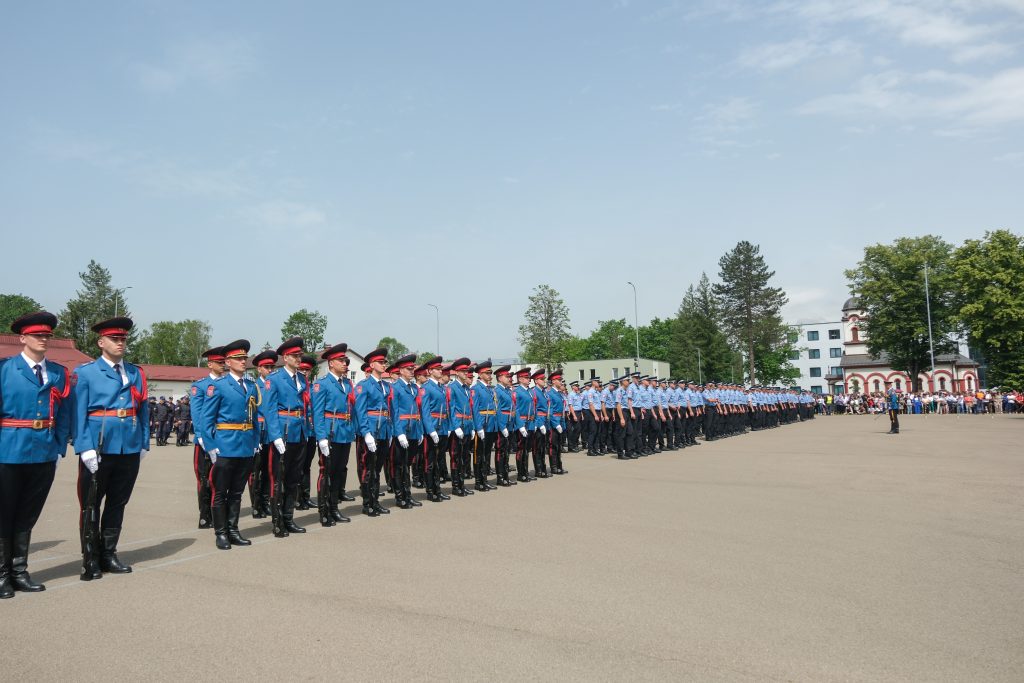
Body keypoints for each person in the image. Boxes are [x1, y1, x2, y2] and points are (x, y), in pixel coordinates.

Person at [0, 312, 74, 597]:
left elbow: (64, 413)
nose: (43, 339)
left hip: (43, 452)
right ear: (23, 338)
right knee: (4, 513)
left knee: (28, 515)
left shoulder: (58, 372)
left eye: (46, 336)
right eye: (37, 335)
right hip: (8, 450)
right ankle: (3, 574)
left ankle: (20, 571)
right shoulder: (5, 370)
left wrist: (57, 447)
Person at [73, 316, 150, 581]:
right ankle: (90, 558)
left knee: (118, 503)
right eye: (114, 339)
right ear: (100, 342)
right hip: (98, 446)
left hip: (128, 446)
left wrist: (143, 442)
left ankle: (109, 553)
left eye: (123, 339)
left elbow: (143, 410)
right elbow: (78, 412)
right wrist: (84, 447)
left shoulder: (135, 372)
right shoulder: (86, 373)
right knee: (91, 504)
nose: (120, 343)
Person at [197, 339, 259, 550]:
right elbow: (206, 420)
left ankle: (233, 530)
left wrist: (255, 441)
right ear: (228, 362)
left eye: (244, 358)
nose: (244, 361)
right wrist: (212, 447)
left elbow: (253, 416)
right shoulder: (219, 386)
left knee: (237, 492)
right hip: (225, 445)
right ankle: (221, 532)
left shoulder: (251, 386)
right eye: (239, 358)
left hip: (245, 445)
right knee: (220, 491)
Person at [261, 336, 310, 537]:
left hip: (299, 431)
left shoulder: (302, 379)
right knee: (277, 479)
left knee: (293, 478)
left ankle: (289, 518)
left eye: (300, 355)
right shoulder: (274, 379)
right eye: (295, 356)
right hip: (282, 431)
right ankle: (277, 521)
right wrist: (275, 435)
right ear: (286, 357)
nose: (299, 359)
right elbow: (269, 409)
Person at [311, 344, 355, 525]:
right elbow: (318, 412)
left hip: (344, 432)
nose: (345, 363)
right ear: (331, 363)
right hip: (330, 432)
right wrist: (321, 437)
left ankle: (334, 508)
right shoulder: (322, 384)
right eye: (341, 361)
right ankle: (324, 511)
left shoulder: (347, 384)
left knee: (338, 473)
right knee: (326, 472)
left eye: (345, 361)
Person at [189, 346, 226, 529]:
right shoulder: (200, 386)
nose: (223, 365)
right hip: (205, 439)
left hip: (224, 437)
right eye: (219, 362)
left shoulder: (227, 384)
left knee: (221, 478)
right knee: (204, 478)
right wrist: (202, 437)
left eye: (223, 362)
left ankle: (218, 511)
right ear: (210, 364)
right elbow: (197, 414)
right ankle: (205, 515)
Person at [354, 347, 393, 516]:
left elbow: (389, 410)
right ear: (372, 364)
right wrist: (366, 432)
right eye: (381, 362)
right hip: (370, 430)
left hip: (383, 430)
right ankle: (367, 503)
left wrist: (390, 432)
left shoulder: (386, 385)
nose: (384, 364)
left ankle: (375, 502)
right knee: (367, 468)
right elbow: (360, 410)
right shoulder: (364, 386)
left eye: (385, 362)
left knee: (377, 469)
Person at [387, 353, 423, 509]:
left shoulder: (414, 387)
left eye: (412, 369)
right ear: (400, 371)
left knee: (408, 463)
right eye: (408, 369)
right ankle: (400, 496)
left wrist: (420, 430)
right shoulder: (394, 387)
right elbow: (393, 411)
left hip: (414, 428)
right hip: (402, 429)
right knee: (399, 464)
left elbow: (417, 410)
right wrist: (399, 432)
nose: (411, 371)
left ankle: (408, 494)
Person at [248, 350, 277, 519]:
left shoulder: (274, 385)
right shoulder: (254, 386)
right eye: (266, 367)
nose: (270, 370)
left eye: (272, 367)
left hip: (270, 433)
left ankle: (265, 502)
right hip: (258, 431)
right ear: (259, 369)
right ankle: (256, 505)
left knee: (268, 470)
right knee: (255, 471)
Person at [417, 356, 449, 502]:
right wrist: (431, 430)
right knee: (430, 461)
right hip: (433, 428)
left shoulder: (441, 387)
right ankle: (430, 490)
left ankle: (438, 488)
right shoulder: (426, 388)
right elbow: (425, 411)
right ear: (430, 371)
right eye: (437, 369)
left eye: (440, 368)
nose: (440, 371)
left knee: (438, 460)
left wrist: (447, 427)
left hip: (442, 427)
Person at [446, 358, 475, 496]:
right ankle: (456, 485)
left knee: (464, 457)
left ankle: (462, 484)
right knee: (456, 457)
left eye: (466, 371)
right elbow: (451, 409)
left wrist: (473, 426)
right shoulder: (452, 387)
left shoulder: (466, 388)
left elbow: (470, 408)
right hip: (459, 426)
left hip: (468, 425)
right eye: (463, 371)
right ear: (457, 372)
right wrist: (455, 426)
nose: (466, 373)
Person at [471, 360, 499, 492]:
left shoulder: (489, 389)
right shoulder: (476, 389)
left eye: (491, 373)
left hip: (491, 425)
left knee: (487, 454)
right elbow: (475, 409)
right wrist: (478, 427)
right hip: (482, 425)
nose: (490, 375)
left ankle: (485, 479)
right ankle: (478, 481)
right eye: (488, 373)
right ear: (480, 374)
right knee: (479, 454)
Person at [492, 365, 516, 487]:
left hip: (509, 423)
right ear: (500, 378)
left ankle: (506, 475)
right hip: (502, 424)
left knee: (506, 452)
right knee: (500, 451)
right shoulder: (497, 391)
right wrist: (502, 426)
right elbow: (498, 410)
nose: (509, 378)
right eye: (507, 376)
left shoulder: (507, 390)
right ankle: (500, 477)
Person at [512, 367, 536, 482]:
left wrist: (534, 422)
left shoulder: (529, 391)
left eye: (529, 377)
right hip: (522, 423)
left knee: (527, 449)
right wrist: (520, 425)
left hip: (530, 422)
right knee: (521, 449)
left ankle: (525, 472)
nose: (529, 379)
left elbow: (533, 408)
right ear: (520, 379)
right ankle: (520, 473)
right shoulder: (517, 392)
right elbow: (515, 410)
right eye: (526, 378)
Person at [546, 370, 568, 474]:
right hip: (553, 423)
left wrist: (562, 423)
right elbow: (550, 411)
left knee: (559, 445)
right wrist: (556, 424)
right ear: (554, 381)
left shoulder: (559, 394)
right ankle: (554, 466)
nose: (561, 382)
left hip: (560, 420)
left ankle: (559, 465)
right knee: (553, 445)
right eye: (559, 380)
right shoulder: (550, 394)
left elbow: (561, 410)